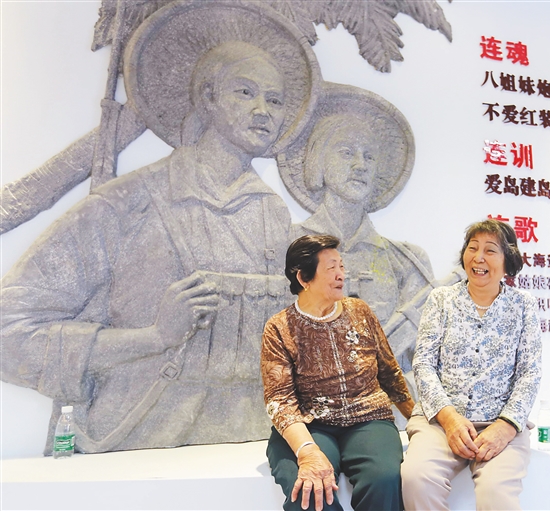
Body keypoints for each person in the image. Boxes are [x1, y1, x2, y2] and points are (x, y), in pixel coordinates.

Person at [0, 2, 320, 454]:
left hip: (251, 451)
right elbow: (9, 332)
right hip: (139, 447)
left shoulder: (275, 219)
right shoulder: (126, 203)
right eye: (245, 92)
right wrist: (150, 339)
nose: (262, 110)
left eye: (275, 100)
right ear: (207, 98)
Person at [281, 84, 442, 378]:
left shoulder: (406, 261)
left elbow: (426, 360)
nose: (360, 165)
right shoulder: (284, 246)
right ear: (319, 160)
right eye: (346, 152)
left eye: (369, 157)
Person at [262, 234, 414, 511]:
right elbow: (279, 400)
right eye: (331, 268)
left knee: (383, 479)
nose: (341, 274)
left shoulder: (360, 311)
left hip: (368, 419)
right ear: (303, 278)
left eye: (341, 266)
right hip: (310, 423)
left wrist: (416, 424)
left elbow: (389, 372)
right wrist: (308, 452)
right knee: (308, 492)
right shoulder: (279, 327)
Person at [401, 219, 542, 511]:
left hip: (500, 422)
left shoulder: (523, 305)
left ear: (507, 261)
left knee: (497, 495)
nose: (478, 258)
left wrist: (506, 427)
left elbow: (530, 372)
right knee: (417, 479)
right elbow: (423, 363)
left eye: (490, 250)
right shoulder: (441, 299)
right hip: (440, 421)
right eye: (473, 248)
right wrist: (450, 419)